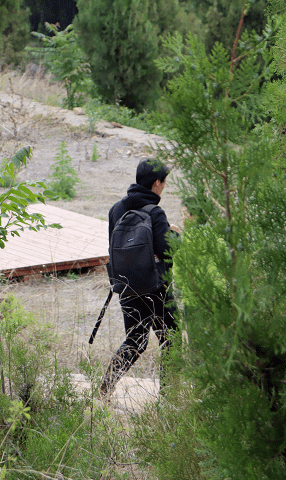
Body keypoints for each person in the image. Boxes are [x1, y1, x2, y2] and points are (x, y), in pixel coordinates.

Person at [99, 158, 180, 397]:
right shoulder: (155, 212)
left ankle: (105, 389)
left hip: (126, 285)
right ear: (157, 183)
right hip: (157, 288)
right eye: (164, 183)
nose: (164, 187)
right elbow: (167, 251)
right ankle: (169, 399)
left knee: (135, 340)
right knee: (171, 340)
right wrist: (175, 234)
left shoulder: (115, 209)